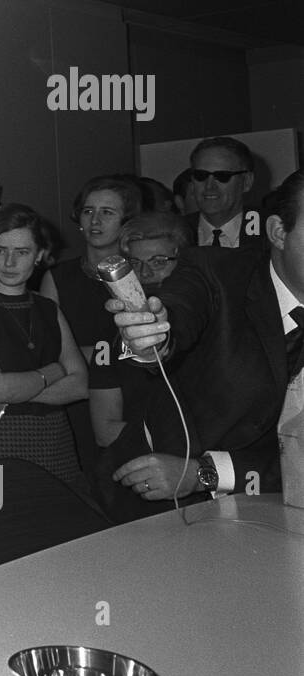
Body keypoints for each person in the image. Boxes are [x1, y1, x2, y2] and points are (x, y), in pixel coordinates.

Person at [109, 170, 304, 504]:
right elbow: (179, 311)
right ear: (278, 232)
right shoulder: (216, 272)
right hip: (153, 496)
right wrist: (151, 334)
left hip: (271, 499)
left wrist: (205, 472)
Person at [0, 204, 89, 488]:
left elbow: (80, 385)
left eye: (22, 252)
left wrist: (14, 392)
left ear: (39, 255)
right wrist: (53, 371)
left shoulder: (49, 309)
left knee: (67, 522)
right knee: (3, 526)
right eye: (1, 251)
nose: (10, 262)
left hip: (54, 437)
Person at [89, 211, 192, 520]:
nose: (146, 273)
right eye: (135, 264)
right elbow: (104, 429)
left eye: (160, 261)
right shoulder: (111, 336)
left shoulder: (212, 325)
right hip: (138, 480)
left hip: (207, 478)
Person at [41, 176, 141, 365]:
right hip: (77, 385)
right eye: (88, 211)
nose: (95, 220)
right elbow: (50, 348)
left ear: (127, 221)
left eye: (107, 212)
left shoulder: (140, 272)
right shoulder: (58, 277)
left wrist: (89, 356)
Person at [186, 136, 264, 249]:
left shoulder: (271, 232)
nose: (209, 186)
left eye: (222, 176)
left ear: (247, 182)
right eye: (201, 176)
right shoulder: (172, 233)